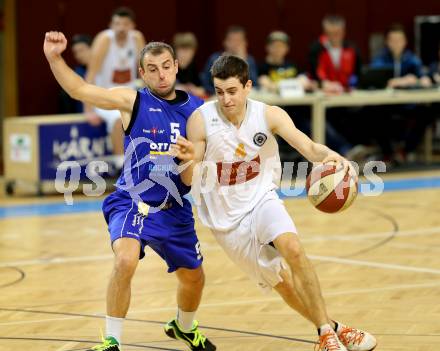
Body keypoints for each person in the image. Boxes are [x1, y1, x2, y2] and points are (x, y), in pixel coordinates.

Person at [171, 54, 377, 351]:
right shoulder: (201, 120)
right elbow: (190, 179)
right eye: (219, 92)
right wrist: (188, 160)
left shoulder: (269, 115)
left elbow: (308, 147)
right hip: (226, 221)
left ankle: (325, 337)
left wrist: (338, 159)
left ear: (247, 86)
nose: (226, 99)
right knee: (282, 282)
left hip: (262, 198)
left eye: (232, 91)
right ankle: (332, 328)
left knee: (293, 248)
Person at [43, 31, 215, 351]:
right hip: (131, 201)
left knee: (194, 277)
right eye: (152, 68)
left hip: (174, 206)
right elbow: (79, 88)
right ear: (142, 73)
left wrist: (193, 159)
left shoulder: (198, 110)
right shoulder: (132, 100)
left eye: (166, 66)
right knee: (125, 261)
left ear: (176, 67)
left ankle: (184, 327)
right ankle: (112, 340)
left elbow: (198, 171)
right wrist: (55, 57)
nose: (161, 74)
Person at [86, 7, 146, 166]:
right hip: (105, 95)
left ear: (132, 25)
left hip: (129, 94)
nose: (121, 27)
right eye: (117, 24)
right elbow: (90, 75)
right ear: (111, 25)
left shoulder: (137, 38)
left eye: (125, 24)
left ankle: (146, 163)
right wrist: (88, 109)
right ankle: (122, 166)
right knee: (119, 119)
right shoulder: (104, 40)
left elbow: (145, 72)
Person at [370, 24, 433, 163]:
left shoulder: (411, 58)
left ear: (405, 42)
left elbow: (423, 77)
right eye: (393, 40)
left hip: (407, 105)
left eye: (399, 40)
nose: (396, 44)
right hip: (386, 105)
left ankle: (405, 151)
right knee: (373, 114)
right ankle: (388, 153)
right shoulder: (381, 58)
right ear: (387, 42)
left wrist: (420, 79)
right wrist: (398, 81)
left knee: (426, 112)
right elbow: (375, 77)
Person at [309, 15, 362, 94]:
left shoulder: (352, 49)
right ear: (325, 32)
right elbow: (314, 74)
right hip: (325, 92)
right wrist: (323, 83)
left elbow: (358, 73)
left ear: (343, 32)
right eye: (330, 33)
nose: (333, 37)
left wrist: (353, 84)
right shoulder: (316, 49)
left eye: (337, 33)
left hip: (347, 91)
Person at [201, 25, 258, 95]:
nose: (236, 44)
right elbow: (206, 83)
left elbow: (254, 84)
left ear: (245, 42)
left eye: (239, 40)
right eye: (232, 40)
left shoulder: (249, 59)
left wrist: (242, 62)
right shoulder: (214, 58)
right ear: (225, 42)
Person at [59, 34, 92, 113]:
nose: (78, 55)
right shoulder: (76, 74)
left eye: (81, 50)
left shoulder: (107, 69)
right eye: (75, 52)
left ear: (93, 48)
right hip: (84, 118)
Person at [173, 32, 206, 98]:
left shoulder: (193, 66)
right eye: (182, 50)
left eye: (188, 50)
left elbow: (203, 89)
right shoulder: (170, 67)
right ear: (175, 50)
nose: (185, 54)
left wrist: (194, 89)